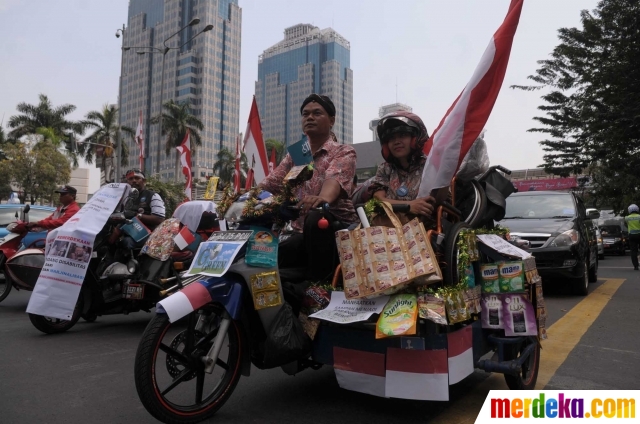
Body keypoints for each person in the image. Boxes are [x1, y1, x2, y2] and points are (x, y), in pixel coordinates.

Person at [259, 93, 358, 282]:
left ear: (331, 120)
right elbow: (271, 183)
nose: (309, 117)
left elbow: (333, 182)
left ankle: (319, 287)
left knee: (316, 216)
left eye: (316, 113)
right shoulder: (296, 154)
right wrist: (245, 196)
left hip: (335, 228)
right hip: (301, 232)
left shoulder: (343, 151)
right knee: (273, 257)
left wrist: (322, 198)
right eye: (305, 114)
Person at [367, 111, 435, 223]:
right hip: (391, 227)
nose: (396, 142)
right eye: (391, 138)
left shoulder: (430, 165)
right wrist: (409, 206)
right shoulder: (385, 169)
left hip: (426, 226)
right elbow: (379, 199)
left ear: (416, 138)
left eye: (402, 135)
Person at [121, 169, 166, 252]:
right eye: (130, 179)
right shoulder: (125, 198)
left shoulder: (153, 196)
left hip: (147, 235)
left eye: (137, 178)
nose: (134, 181)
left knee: (127, 242)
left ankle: (131, 264)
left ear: (144, 181)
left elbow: (160, 219)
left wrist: (137, 216)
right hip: (127, 232)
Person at [624, 204, 640, 270]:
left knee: (633, 251)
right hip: (639, 234)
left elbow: (626, 225)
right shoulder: (639, 217)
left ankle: (635, 266)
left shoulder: (627, 218)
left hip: (631, 235)